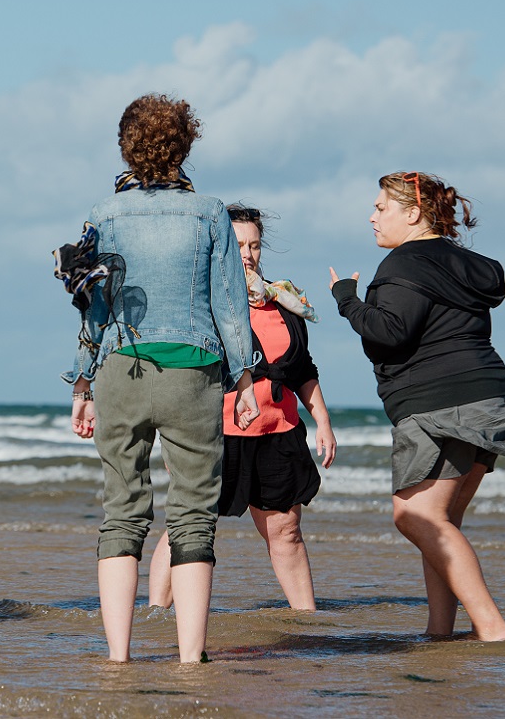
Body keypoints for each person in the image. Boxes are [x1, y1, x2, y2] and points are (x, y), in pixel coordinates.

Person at [57, 94, 262, 663]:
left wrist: (82, 383)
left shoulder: (104, 213)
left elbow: (92, 307)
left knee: (122, 511)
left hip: (120, 367)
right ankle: (191, 657)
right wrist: (245, 376)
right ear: (185, 146)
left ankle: (119, 656)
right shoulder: (210, 212)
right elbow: (229, 305)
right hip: (192, 371)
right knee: (193, 515)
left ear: (127, 148)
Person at [328, 171, 505, 640]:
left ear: (413, 214)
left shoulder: (402, 263)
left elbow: (390, 331)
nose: (372, 217)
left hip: (436, 403)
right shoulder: (464, 263)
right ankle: (439, 633)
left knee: (415, 516)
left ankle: (492, 626)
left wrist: (346, 300)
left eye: (381, 208)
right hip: (488, 395)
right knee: (442, 522)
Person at [149, 204, 336, 611]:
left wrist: (322, 419)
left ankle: (308, 621)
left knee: (286, 531)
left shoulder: (283, 300)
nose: (247, 255)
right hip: (214, 433)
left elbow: (302, 367)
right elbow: (179, 374)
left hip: (278, 433)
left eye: (254, 245)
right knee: (189, 524)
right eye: (237, 246)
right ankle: (156, 616)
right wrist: (174, 437)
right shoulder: (199, 305)